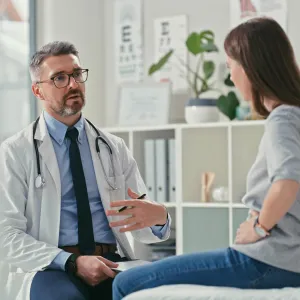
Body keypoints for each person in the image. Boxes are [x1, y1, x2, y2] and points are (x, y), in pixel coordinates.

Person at [113, 17, 300, 299]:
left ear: (251, 68)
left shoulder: (282, 119)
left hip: (270, 260)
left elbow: (287, 181)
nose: (231, 77)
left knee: (125, 283)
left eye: (231, 66)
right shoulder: (294, 115)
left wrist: (258, 228)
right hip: (285, 260)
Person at [0, 41, 171, 300]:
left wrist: (159, 218)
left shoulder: (113, 147)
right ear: (38, 91)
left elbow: (138, 224)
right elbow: (6, 235)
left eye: (77, 74)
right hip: (50, 266)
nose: (73, 84)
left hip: (112, 261)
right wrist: (71, 262)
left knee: (162, 294)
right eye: (59, 78)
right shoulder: (15, 152)